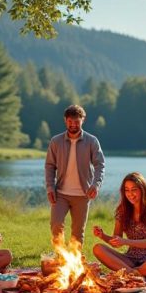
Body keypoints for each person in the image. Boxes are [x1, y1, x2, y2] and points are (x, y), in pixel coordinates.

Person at [91, 172, 146, 280]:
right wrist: (102, 236)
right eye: (127, 190)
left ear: (142, 189)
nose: (130, 194)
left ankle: (128, 273)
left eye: (134, 189)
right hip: (130, 260)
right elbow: (116, 241)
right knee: (98, 248)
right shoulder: (122, 211)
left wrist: (125, 241)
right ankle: (134, 274)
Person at [45, 104, 105, 246]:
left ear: (82, 120)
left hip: (83, 195)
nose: (73, 125)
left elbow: (100, 165)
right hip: (60, 193)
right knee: (56, 224)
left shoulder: (92, 141)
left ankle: (74, 261)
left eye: (76, 121)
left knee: (78, 232)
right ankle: (60, 257)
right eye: (70, 121)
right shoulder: (56, 141)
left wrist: (96, 184)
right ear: (65, 120)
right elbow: (49, 166)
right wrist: (50, 188)